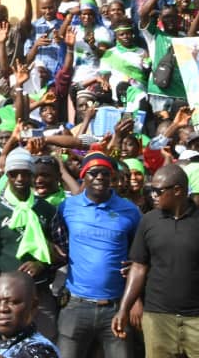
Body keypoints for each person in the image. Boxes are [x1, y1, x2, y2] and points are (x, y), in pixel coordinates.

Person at [112, 164, 199, 358]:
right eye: (152, 190)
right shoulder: (148, 221)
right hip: (158, 319)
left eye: (158, 191)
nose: (153, 195)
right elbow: (138, 267)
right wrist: (124, 308)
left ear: (177, 190)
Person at [51, 152, 141, 358]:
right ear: (83, 176)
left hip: (117, 306)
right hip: (76, 305)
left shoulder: (130, 210)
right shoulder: (67, 207)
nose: (100, 177)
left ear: (112, 177)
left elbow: (140, 255)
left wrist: (135, 297)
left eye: (105, 173)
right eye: (93, 173)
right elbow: (55, 240)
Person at [0, 148, 57, 341]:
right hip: (4, 300)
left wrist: (41, 264)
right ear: (6, 175)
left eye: (25, 173)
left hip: (39, 295)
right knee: (3, 349)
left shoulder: (47, 210)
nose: (19, 178)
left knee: (44, 347)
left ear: (32, 175)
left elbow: (64, 250)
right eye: (14, 173)